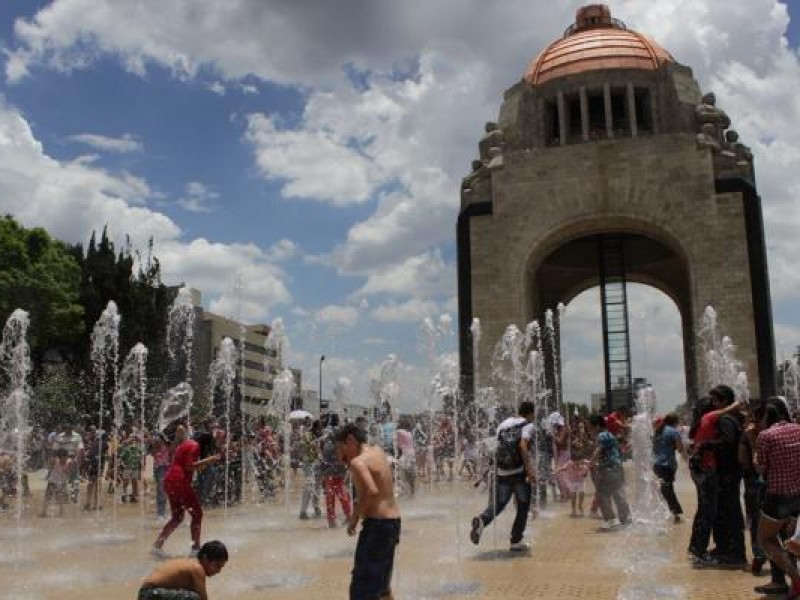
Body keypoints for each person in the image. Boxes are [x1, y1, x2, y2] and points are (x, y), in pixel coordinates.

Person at [335, 423, 401, 600]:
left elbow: (372, 491)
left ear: (350, 440)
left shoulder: (359, 462)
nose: (340, 454)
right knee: (383, 586)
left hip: (377, 527)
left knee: (361, 590)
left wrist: (354, 518)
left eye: (341, 448)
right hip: (393, 523)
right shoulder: (378, 451)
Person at [469, 401, 536, 551]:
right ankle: (516, 540)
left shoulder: (503, 424)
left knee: (499, 504)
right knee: (523, 505)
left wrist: (486, 472)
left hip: (503, 471)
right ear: (531, 413)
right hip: (519, 472)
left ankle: (482, 520)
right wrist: (530, 471)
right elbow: (523, 447)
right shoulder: (528, 425)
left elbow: (496, 449)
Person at [687, 395, 745, 566]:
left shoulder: (701, 422)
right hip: (708, 470)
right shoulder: (710, 417)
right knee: (709, 512)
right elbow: (725, 413)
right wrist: (736, 403)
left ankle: (697, 547)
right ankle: (700, 551)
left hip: (701, 470)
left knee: (706, 510)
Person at [754, 398, 800, 599]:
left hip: (778, 497)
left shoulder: (766, 435)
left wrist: (755, 457)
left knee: (766, 539)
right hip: (798, 495)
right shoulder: (798, 429)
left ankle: (796, 578)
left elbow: (761, 468)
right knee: (791, 540)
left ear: (766, 415)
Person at [152, 425, 221, 558]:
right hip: (179, 481)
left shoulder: (185, 444)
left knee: (177, 517)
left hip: (170, 480)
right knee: (197, 514)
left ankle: (157, 545)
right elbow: (189, 467)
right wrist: (210, 459)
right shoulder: (194, 446)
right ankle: (195, 549)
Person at [139, 540, 228, 600]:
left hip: (149, 594)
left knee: (190, 594)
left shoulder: (190, 564)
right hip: (150, 594)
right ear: (205, 559)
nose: (218, 571)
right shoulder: (197, 568)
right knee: (194, 598)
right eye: (217, 566)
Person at [588, 413, 630, 531]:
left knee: (602, 494)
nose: (589, 429)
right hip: (617, 467)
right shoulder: (610, 434)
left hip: (608, 469)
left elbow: (599, 449)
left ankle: (611, 520)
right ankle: (625, 519)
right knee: (618, 493)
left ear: (596, 426)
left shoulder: (602, 435)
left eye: (590, 426)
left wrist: (590, 464)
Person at [652, 413, 687, 523]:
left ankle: (664, 512)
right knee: (667, 488)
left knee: (663, 488)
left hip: (656, 465)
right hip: (668, 465)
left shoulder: (655, 432)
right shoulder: (673, 431)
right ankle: (676, 514)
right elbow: (680, 448)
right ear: (675, 422)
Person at [320, 420, 352, 528]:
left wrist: (322, 475)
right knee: (343, 497)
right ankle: (347, 517)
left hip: (330, 476)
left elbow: (323, 463)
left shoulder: (328, 447)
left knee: (331, 498)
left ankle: (332, 521)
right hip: (337, 476)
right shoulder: (342, 447)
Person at [555, 450, 590, 517]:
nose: (576, 462)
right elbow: (564, 468)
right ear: (572, 460)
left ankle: (580, 505)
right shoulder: (569, 463)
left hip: (581, 481)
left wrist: (585, 472)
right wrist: (558, 470)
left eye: (578, 461)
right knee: (573, 496)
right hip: (572, 482)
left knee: (582, 494)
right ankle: (573, 509)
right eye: (574, 461)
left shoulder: (584, 463)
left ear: (581, 460)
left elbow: (590, 466)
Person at [40, 448, 71, 517]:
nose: (64, 459)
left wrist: (66, 471)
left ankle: (61, 513)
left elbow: (69, 472)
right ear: (59, 457)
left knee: (60, 498)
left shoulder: (69, 462)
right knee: (47, 497)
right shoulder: (55, 460)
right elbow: (50, 466)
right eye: (63, 457)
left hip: (61, 482)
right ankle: (44, 512)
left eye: (65, 457)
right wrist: (48, 475)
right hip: (52, 481)